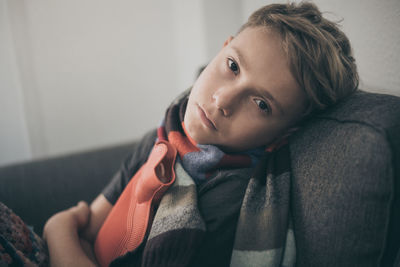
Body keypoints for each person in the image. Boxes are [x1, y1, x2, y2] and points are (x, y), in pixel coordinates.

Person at [1, 2, 358, 266]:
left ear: (283, 135)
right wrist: (65, 233)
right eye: (232, 66)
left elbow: (71, 225)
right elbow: (92, 228)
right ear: (223, 48)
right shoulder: (162, 140)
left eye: (261, 104)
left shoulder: (230, 197)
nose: (223, 100)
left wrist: (56, 227)